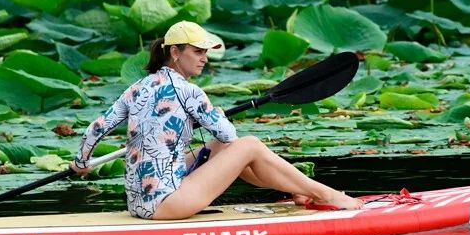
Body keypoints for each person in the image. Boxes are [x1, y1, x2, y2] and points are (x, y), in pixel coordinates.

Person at [70, 20, 363, 219]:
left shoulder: (135, 88)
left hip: (137, 204)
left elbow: (97, 127)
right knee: (249, 145)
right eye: (198, 51)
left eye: (205, 52)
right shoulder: (189, 91)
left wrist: (82, 162)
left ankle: (299, 190)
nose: (204, 58)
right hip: (168, 203)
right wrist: (216, 118)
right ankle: (325, 193)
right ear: (175, 52)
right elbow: (231, 137)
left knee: (220, 149)